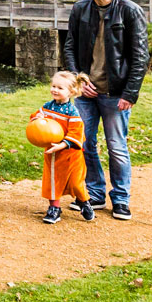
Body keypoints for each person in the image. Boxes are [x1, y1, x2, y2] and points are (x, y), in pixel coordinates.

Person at [59, 0, 149, 220]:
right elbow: (69, 47)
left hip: (116, 93)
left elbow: (140, 56)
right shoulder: (79, 9)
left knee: (117, 147)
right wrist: (78, 80)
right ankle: (95, 195)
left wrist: (130, 94)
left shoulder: (130, 11)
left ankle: (121, 199)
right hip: (85, 93)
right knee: (84, 144)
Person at [31, 71, 95, 224]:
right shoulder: (47, 106)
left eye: (60, 88)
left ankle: (84, 201)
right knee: (53, 181)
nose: (55, 90)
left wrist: (62, 144)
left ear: (71, 92)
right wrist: (36, 118)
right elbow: (35, 118)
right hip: (53, 153)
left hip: (70, 155)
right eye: (53, 86)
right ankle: (54, 208)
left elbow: (77, 132)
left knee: (75, 182)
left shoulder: (71, 111)